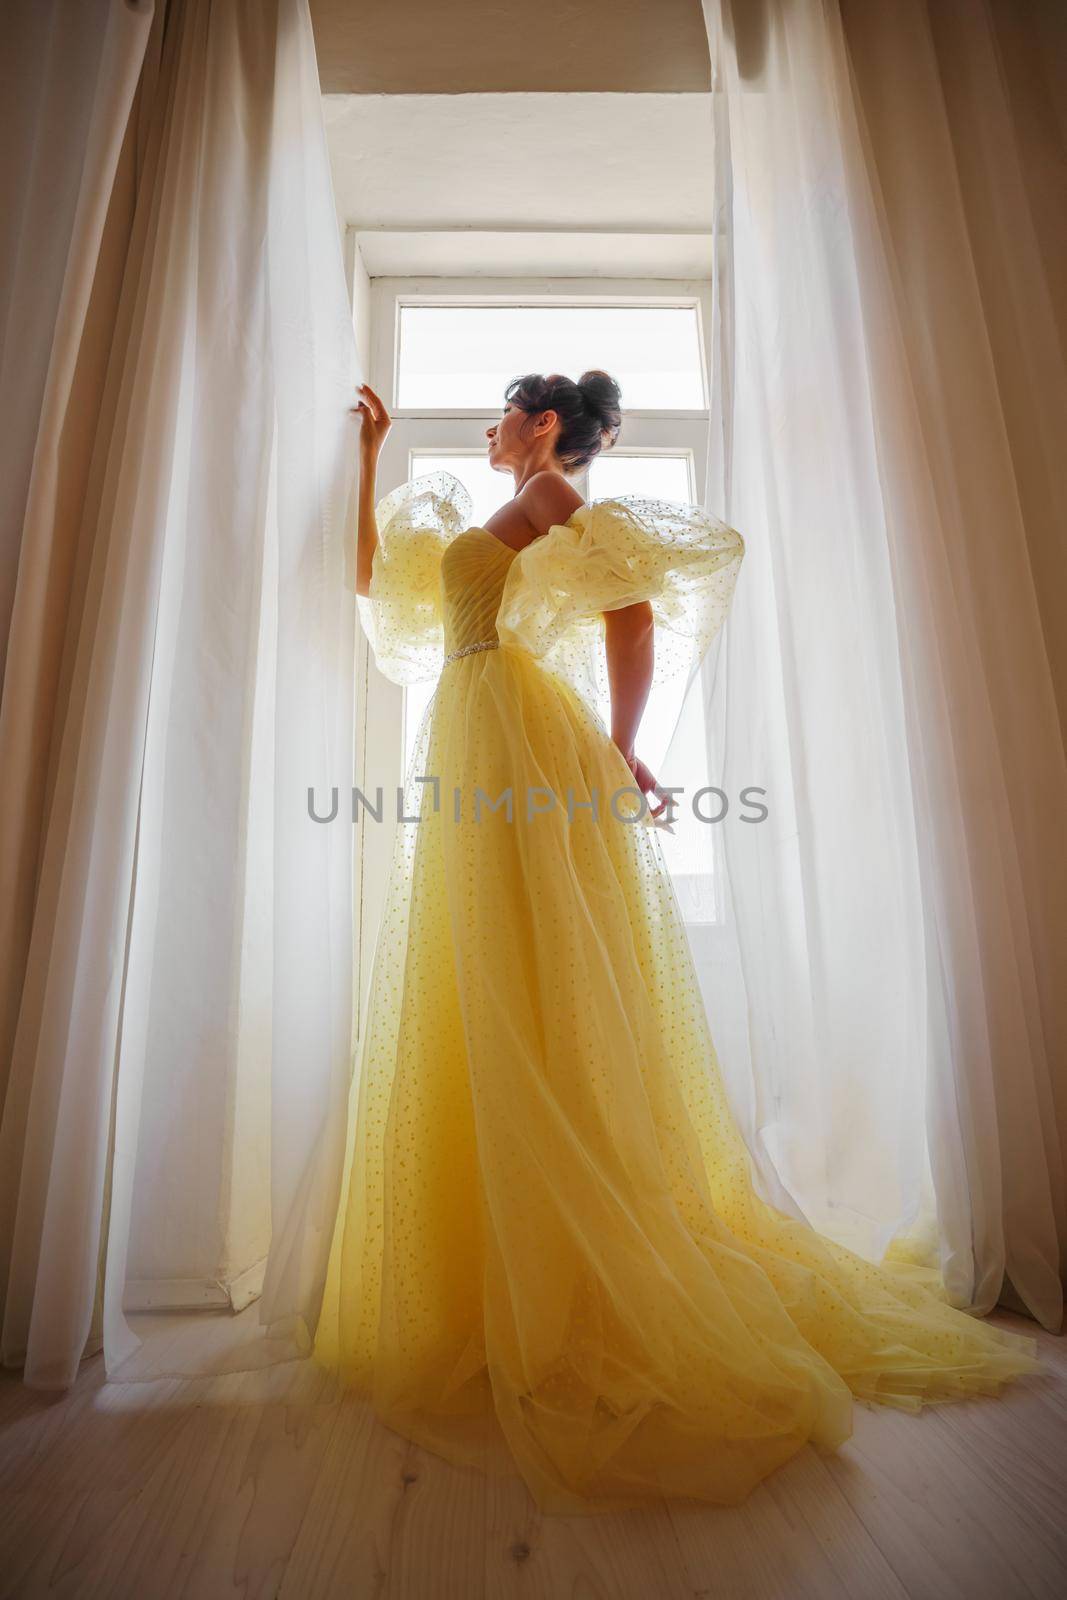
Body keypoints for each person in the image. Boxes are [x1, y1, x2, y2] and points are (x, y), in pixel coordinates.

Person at [311, 371, 1041, 1516]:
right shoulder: (492, 522)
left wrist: (622, 745)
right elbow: (369, 582)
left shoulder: (550, 501)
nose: (489, 431)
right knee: (485, 981)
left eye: (503, 413)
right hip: (475, 735)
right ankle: (503, 1273)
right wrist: (367, 456)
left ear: (543, 425)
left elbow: (634, 607)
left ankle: (573, 1278)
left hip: (515, 738)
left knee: (532, 983)